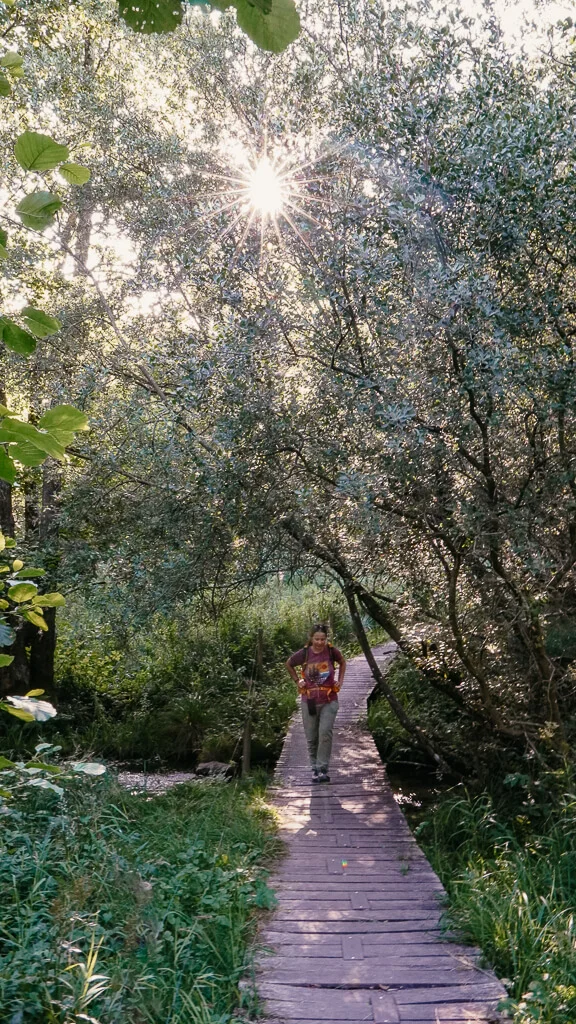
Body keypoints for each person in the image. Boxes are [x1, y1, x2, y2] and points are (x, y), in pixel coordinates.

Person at [286, 623, 346, 783]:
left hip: (329, 699)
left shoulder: (332, 651)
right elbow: (289, 664)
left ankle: (322, 769)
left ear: (326, 639)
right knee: (312, 737)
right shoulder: (305, 653)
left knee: (325, 733)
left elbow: (343, 662)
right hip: (310, 701)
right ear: (311, 638)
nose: (320, 642)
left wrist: (340, 680)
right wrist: (297, 680)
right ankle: (314, 768)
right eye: (317, 639)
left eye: (323, 639)